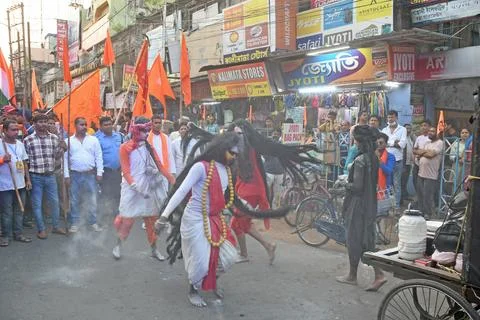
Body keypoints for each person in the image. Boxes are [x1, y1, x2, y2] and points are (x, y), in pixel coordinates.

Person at [156, 133, 241, 307]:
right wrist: (164, 217)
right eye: (232, 153)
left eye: (237, 154)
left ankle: (212, 282)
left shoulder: (227, 170)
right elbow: (180, 191)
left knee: (228, 257)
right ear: (222, 149)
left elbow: (224, 197)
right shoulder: (201, 167)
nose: (234, 157)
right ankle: (193, 289)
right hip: (194, 219)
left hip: (216, 219)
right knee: (201, 262)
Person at [112, 117, 175, 261]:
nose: (146, 133)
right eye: (143, 131)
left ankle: (154, 249)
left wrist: (173, 180)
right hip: (131, 188)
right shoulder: (125, 147)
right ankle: (118, 246)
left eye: (147, 130)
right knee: (127, 221)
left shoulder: (149, 147)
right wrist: (135, 186)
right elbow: (126, 171)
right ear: (136, 130)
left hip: (148, 188)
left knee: (151, 221)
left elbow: (160, 167)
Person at [336, 125, 386, 292]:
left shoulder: (360, 160)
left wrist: (344, 183)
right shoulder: (373, 158)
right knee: (364, 239)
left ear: (359, 141)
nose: (354, 142)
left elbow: (357, 186)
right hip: (369, 202)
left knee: (353, 239)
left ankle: (355, 276)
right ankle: (375, 274)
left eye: (355, 139)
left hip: (357, 204)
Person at [24, 113, 67, 239]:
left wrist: (63, 148)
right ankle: (41, 229)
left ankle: (56, 226)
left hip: (50, 175)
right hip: (35, 176)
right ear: (35, 124)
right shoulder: (28, 140)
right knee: (37, 204)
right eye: (40, 121)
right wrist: (27, 179)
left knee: (54, 202)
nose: (43, 124)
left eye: (45, 121)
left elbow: (57, 156)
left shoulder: (54, 138)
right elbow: (25, 161)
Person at [64, 117, 104, 233]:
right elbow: (65, 160)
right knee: (74, 199)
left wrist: (99, 172)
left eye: (85, 124)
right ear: (75, 126)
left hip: (90, 175)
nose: (84, 127)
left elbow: (99, 156)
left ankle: (93, 221)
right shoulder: (68, 142)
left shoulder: (93, 140)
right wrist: (66, 176)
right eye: (81, 124)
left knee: (92, 198)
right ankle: (75, 223)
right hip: (74, 175)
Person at [0, 119, 32, 246]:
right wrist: (2, 160)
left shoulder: (20, 144)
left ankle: (18, 233)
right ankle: (6, 236)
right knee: (7, 211)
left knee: (20, 210)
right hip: (5, 185)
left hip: (20, 183)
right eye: (13, 130)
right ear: (5, 131)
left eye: (17, 129)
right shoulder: (0, 144)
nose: (16, 132)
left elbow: (24, 162)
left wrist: (28, 179)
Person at [95, 116, 123, 219]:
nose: (108, 126)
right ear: (101, 127)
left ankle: (116, 212)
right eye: (105, 125)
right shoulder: (97, 139)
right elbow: (96, 156)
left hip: (118, 170)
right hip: (105, 171)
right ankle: (102, 214)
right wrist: (99, 172)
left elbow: (123, 152)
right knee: (105, 193)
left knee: (117, 192)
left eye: (110, 124)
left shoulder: (119, 136)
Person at [415, 127, 443, 218]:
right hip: (421, 173)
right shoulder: (427, 143)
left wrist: (422, 153)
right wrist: (424, 152)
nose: (430, 133)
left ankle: (428, 214)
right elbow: (415, 151)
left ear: (437, 133)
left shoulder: (440, 143)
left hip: (431, 175)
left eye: (433, 131)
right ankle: (421, 212)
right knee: (420, 194)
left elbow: (431, 155)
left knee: (427, 195)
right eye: (429, 131)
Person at [381, 111, 407, 209]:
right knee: (387, 183)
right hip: (386, 160)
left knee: (396, 184)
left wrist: (389, 143)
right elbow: (382, 144)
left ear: (396, 117)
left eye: (392, 117)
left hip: (397, 160)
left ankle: (396, 206)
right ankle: (387, 205)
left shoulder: (402, 129)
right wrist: (394, 143)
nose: (390, 119)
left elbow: (402, 144)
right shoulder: (384, 130)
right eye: (388, 117)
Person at [148, 114, 176, 185]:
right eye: (156, 123)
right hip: (151, 172)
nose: (158, 125)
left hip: (164, 172)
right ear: (151, 124)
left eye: (159, 123)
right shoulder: (147, 138)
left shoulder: (166, 138)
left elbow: (170, 155)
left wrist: (172, 172)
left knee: (164, 194)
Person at [264, 128, 284, 209]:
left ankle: (275, 209)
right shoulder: (267, 144)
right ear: (271, 135)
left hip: (280, 172)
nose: (275, 135)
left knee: (277, 193)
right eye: (274, 134)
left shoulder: (282, 144)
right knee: (265, 191)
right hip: (269, 171)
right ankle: (264, 208)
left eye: (277, 134)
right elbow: (265, 155)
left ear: (280, 135)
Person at [376, 132, 396, 215]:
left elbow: (389, 171)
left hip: (384, 189)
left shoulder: (390, 156)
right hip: (372, 188)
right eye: (377, 143)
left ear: (386, 144)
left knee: (383, 215)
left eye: (381, 143)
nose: (379, 144)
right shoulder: (370, 155)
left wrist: (379, 160)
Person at [413, 120, 432, 193]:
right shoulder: (419, 138)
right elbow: (415, 149)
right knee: (415, 180)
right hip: (417, 163)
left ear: (429, 127)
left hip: (426, 164)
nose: (423, 127)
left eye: (425, 125)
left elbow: (430, 151)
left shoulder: (432, 138)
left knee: (425, 183)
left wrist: (420, 153)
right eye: (422, 126)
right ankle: (418, 196)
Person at [401, 124, 415, 204]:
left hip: (408, 163)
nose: (408, 130)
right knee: (402, 181)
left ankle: (404, 195)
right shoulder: (403, 138)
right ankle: (401, 199)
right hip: (403, 163)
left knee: (405, 181)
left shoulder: (410, 138)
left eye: (410, 128)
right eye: (407, 129)